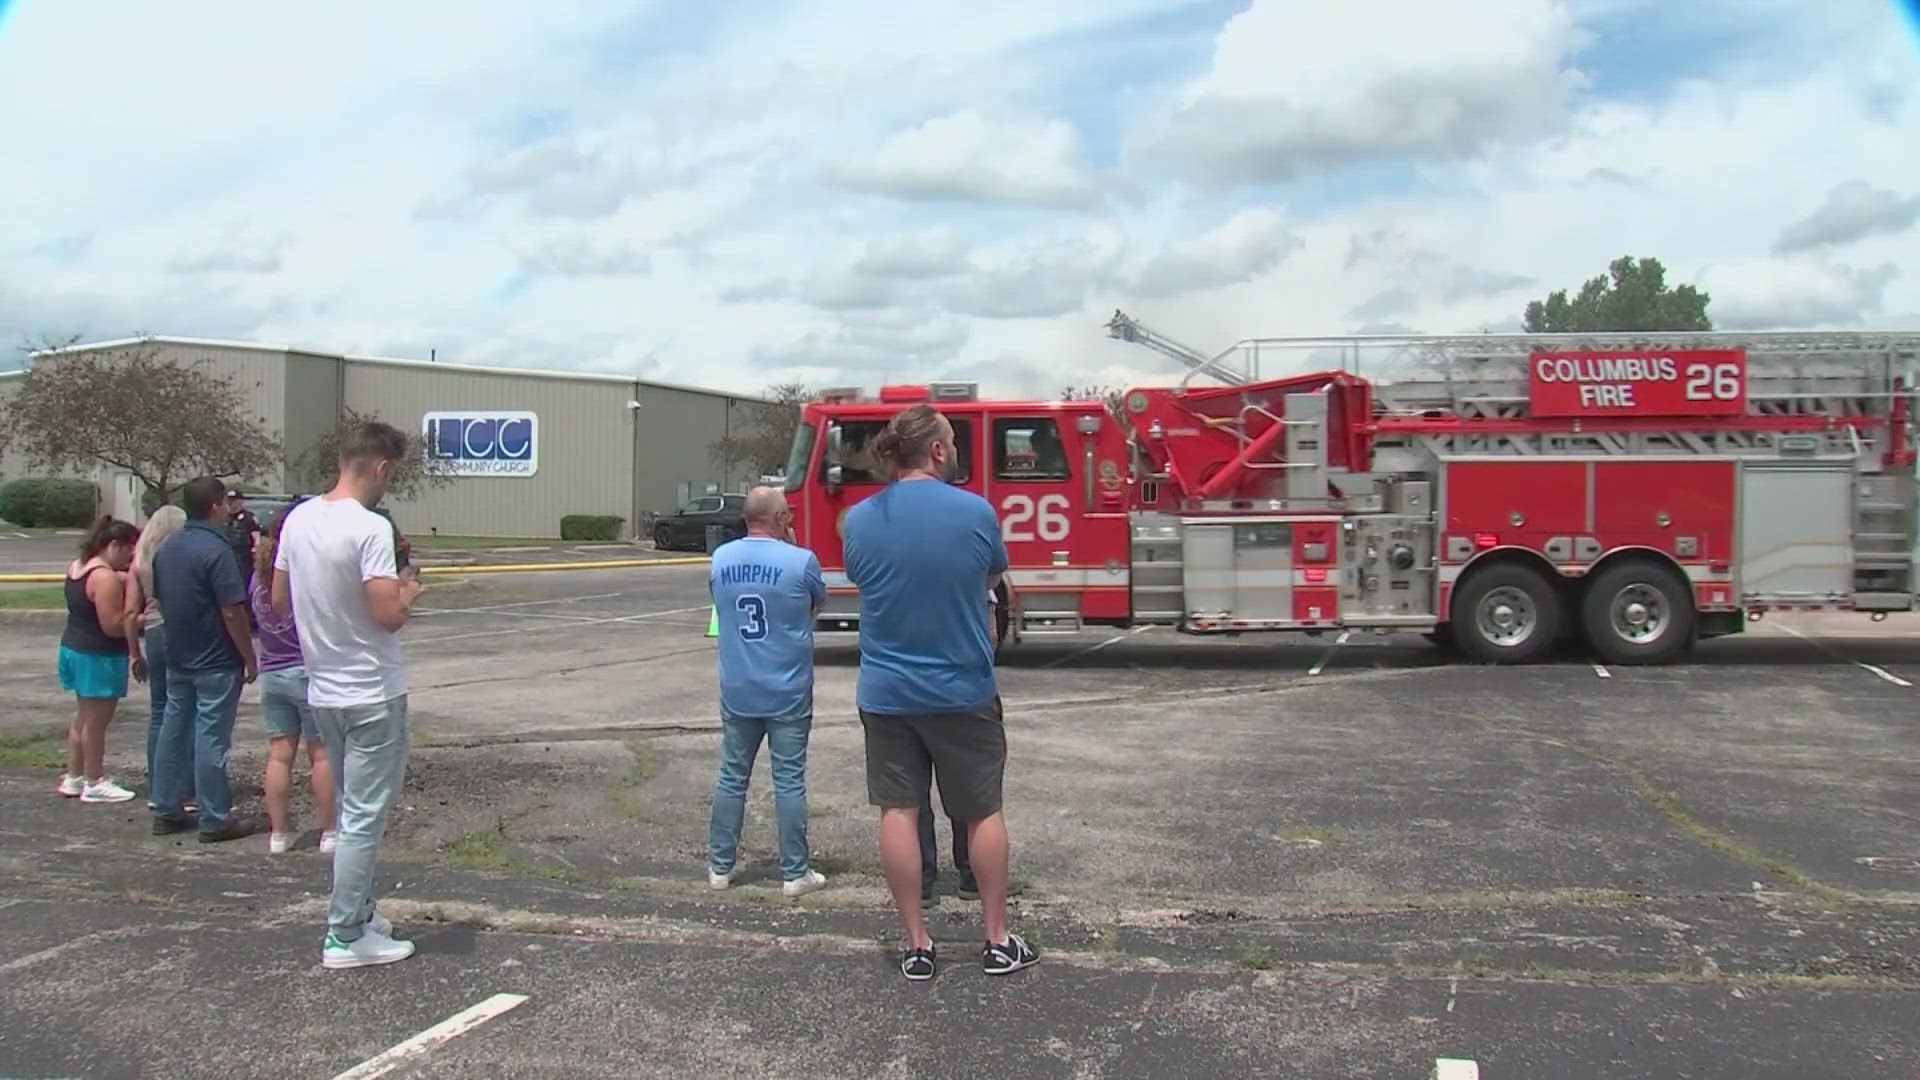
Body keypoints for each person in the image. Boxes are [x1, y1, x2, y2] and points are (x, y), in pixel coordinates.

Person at [842, 403, 1039, 981]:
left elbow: (863, 582)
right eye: (952, 442)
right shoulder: (975, 513)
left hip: (886, 692)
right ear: (935, 450)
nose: (956, 452)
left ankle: (916, 945)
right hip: (962, 689)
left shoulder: (858, 519)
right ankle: (997, 939)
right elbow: (989, 581)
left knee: (898, 810)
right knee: (980, 812)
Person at [274, 421, 422, 970]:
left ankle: (360, 909)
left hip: (324, 688)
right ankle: (345, 932)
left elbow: (280, 599)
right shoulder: (369, 528)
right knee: (363, 817)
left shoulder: (297, 519)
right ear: (380, 468)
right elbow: (387, 617)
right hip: (372, 691)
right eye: (392, 474)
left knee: (351, 810)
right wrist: (409, 593)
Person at [705, 486, 828, 899]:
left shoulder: (721, 559)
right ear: (779, 519)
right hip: (788, 686)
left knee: (732, 775)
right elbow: (817, 603)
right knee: (789, 778)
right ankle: (795, 872)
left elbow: (719, 605)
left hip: (738, 685)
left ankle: (720, 866)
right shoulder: (801, 561)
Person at [150, 476, 258, 842]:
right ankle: (215, 817)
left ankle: (166, 807)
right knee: (211, 737)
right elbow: (232, 610)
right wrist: (249, 656)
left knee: (173, 730)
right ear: (215, 506)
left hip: (178, 654)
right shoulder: (217, 550)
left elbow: (163, 599)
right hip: (215, 658)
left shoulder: (168, 548)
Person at [252, 499, 338, 855]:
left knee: (279, 755)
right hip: (307, 668)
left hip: (272, 670)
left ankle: (278, 833)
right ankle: (330, 830)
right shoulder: (303, 576)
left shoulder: (256, 579)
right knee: (321, 755)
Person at [55, 516, 141, 803]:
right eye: (130, 548)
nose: (132, 556)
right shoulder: (104, 578)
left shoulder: (79, 567)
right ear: (113, 545)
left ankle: (74, 776)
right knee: (97, 723)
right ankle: (95, 780)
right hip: (98, 655)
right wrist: (142, 620)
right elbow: (113, 625)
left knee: (82, 718)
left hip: (74, 648)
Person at [123, 505, 189, 812]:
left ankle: (157, 785)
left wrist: (134, 653)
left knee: (158, 710)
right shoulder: (176, 558)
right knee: (184, 710)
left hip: (151, 632)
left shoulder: (139, 562)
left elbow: (129, 612)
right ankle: (183, 786)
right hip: (176, 629)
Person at [224, 490, 261, 593]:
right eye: (229, 500)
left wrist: (256, 552)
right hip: (226, 554)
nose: (231, 503)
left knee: (243, 583)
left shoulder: (248, 518)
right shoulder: (223, 517)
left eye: (234, 500)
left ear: (241, 502)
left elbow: (256, 537)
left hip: (243, 556)